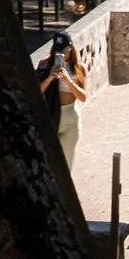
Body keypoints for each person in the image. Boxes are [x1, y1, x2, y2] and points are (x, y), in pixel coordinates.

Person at [36, 32, 88, 163]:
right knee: (48, 162)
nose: (62, 54)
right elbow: (37, 92)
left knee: (66, 163)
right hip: (50, 115)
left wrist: (68, 80)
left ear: (71, 48)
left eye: (65, 51)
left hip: (70, 118)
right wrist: (50, 77)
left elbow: (83, 97)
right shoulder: (44, 65)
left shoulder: (79, 68)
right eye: (58, 51)